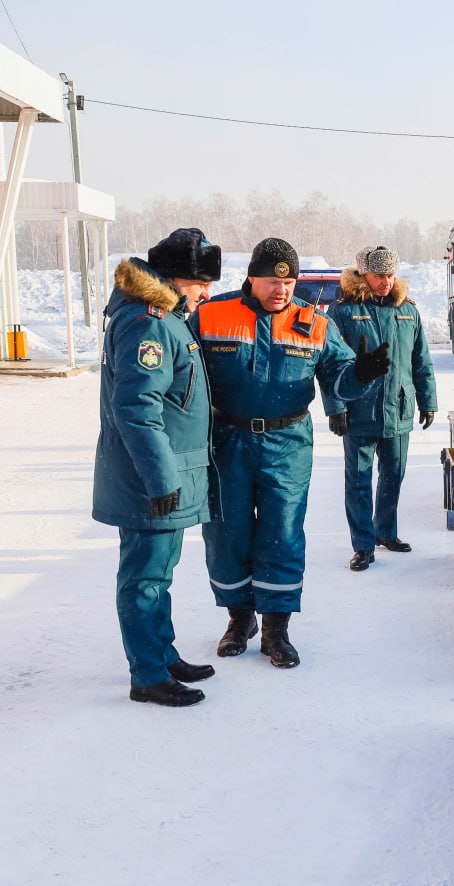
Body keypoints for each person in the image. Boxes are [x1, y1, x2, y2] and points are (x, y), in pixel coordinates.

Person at [191, 237, 390, 667]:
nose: (280, 290)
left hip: (287, 444)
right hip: (227, 440)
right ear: (252, 278)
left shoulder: (315, 323)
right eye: (270, 281)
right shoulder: (210, 316)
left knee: (282, 532)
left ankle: (276, 629)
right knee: (227, 531)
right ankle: (239, 619)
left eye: (289, 281)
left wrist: (363, 373)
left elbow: (339, 380)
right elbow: (183, 375)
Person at [93, 229, 222, 707]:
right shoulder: (148, 322)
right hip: (149, 478)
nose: (206, 293)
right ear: (175, 279)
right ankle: (147, 674)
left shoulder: (166, 315)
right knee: (144, 578)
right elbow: (137, 407)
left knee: (159, 573)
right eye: (200, 283)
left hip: (163, 473)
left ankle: (161, 653)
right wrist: (161, 478)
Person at [323, 246, 438, 571]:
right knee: (358, 481)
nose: (386, 281)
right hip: (360, 411)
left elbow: (421, 361)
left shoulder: (407, 311)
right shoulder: (343, 312)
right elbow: (330, 366)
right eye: (379, 275)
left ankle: (386, 532)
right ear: (364, 275)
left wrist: (428, 400)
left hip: (398, 410)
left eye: (390, 275)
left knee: (393, 476)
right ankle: (363, 545)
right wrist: (336, 407)